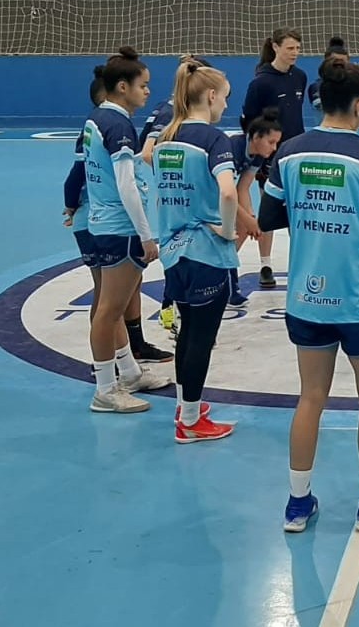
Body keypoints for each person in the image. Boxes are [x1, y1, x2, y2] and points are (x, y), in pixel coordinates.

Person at [260, 59, 359, 534]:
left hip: (306, 301)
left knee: (310, 397)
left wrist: (312, 220)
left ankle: (297, 504)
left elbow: (267, 217)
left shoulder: (288, 153)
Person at [151, 60, 241, 443]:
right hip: (205, 251)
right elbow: (227, 191)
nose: (224, 106)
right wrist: (228, 228)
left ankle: (184, 404)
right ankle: (190, 422)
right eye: (224, 98)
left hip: (173, 252)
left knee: (186, 332)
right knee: (202, 339)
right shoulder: (214, 140)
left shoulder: (165, 139)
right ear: (209, 96)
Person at [80, 47, 172, 414]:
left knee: (112, 309)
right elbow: (127, 185)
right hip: (120, 229)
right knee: (108, 311)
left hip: (103, 225)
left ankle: (129, 373)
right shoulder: (118, 126)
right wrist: (146, 235)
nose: (148, 92)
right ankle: (105, 389)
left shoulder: (96, 119)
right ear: (122, 87)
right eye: (143, 86)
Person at [231, 110, 284, 291]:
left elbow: (243, 187)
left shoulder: (259, 155)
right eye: (271, 142)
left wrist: (250, 219)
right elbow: (222, 194)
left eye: (276, 143)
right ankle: (218, 274)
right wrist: (247, 219)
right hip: (203, 193)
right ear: (255, 137)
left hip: (221, 193)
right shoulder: (232, 149)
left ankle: (227, 275)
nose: (274, 148)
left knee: (244, 229)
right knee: (225, 231)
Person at [241, 27, 308, 142]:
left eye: (298, 48)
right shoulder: (260, 83)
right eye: (290, 48)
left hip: (295, 143)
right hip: (271, 147)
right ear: (275, 47)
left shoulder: (300, 76)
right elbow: (249, 118)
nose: (295, 53)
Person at [307, 36, 351, 114]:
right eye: (335, 62)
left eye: (343, 63)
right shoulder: (316, 87)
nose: (339, 66)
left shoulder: (356, 85)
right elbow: (322, 109)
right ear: (326, 63)